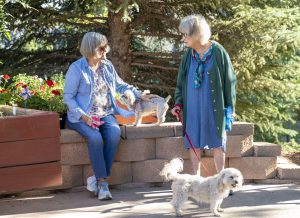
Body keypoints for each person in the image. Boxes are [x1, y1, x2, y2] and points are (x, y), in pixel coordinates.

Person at [64, 32, 151, 200]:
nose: (106, 51)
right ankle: (103, 184)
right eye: (101, 48)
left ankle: (97, 178)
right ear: (90, 49)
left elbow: (120, 85)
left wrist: (139, 94)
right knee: (95, 138)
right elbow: (68, 97)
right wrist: (84, 117)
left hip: (105, 113)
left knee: (113, 133)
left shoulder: (107, 66)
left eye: (106, 47)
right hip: (82, 117)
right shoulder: (76, 69)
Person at [171, 15, 237, 177]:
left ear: (196, 34)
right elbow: (181, 82)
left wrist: (230, 109)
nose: (183, 38)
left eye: (185, 34)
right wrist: (178, 103)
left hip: (214, 107)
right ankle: (196, 179)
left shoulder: (218, 52)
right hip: (193, 107)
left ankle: (222, 180)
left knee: (218, 142)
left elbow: (230, 82)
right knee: (193, 142)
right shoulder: (188, 56)